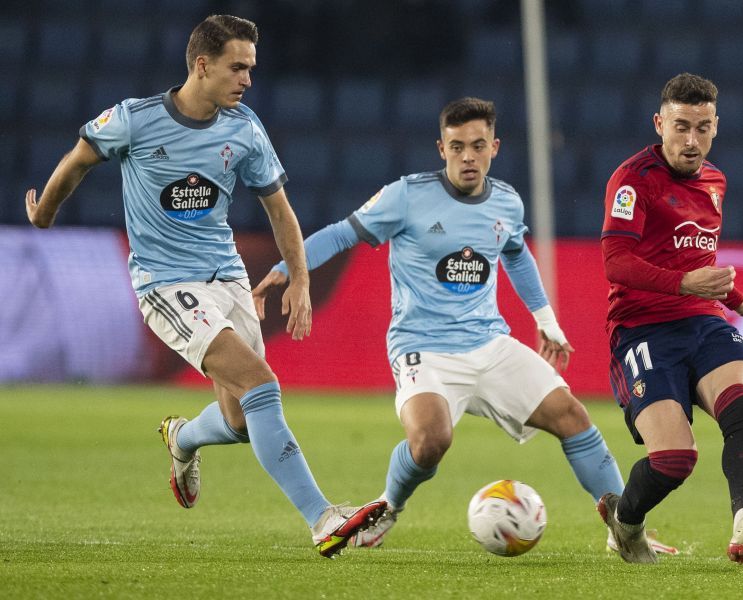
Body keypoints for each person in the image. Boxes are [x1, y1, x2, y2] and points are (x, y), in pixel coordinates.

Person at [24, 14, 384, 559]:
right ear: (202, 65)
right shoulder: (134, 120)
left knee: (241, 421)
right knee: (261, 384)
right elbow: (78, 160)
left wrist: (301, 280)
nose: (247, 79)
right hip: (166, 285)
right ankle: (323, 518)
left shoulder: (244, 128)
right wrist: (44, 215)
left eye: (251, 68)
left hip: (228, 278)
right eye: (238, 67)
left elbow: (280, 212)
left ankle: (183, 438)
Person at [252, 97, 676, 556]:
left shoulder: (507, 202)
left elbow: (514, 252)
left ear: (495, 146)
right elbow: (340, 232)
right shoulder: (406, 196)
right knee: (431, 439)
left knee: (572, 417)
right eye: (457, 147)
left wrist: (545, 319)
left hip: (489, 343)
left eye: (477, 146)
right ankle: (388, 506)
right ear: (441, 148)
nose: (467, 156)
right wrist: (288, 271)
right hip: (423, 347)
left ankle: (624, 530)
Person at [597, 73, 743, 564]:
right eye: (680, 126)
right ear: (659, 123)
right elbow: (615, 262)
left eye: (702, 128)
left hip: (702, 321)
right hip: (641, 327)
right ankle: (625, 523)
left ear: (715, 126)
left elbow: (697, 263)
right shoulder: (632, 180)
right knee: (674, 460)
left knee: (741, 403)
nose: (691, 140)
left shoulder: (715, 182)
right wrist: (686, 285)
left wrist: (740, 301)